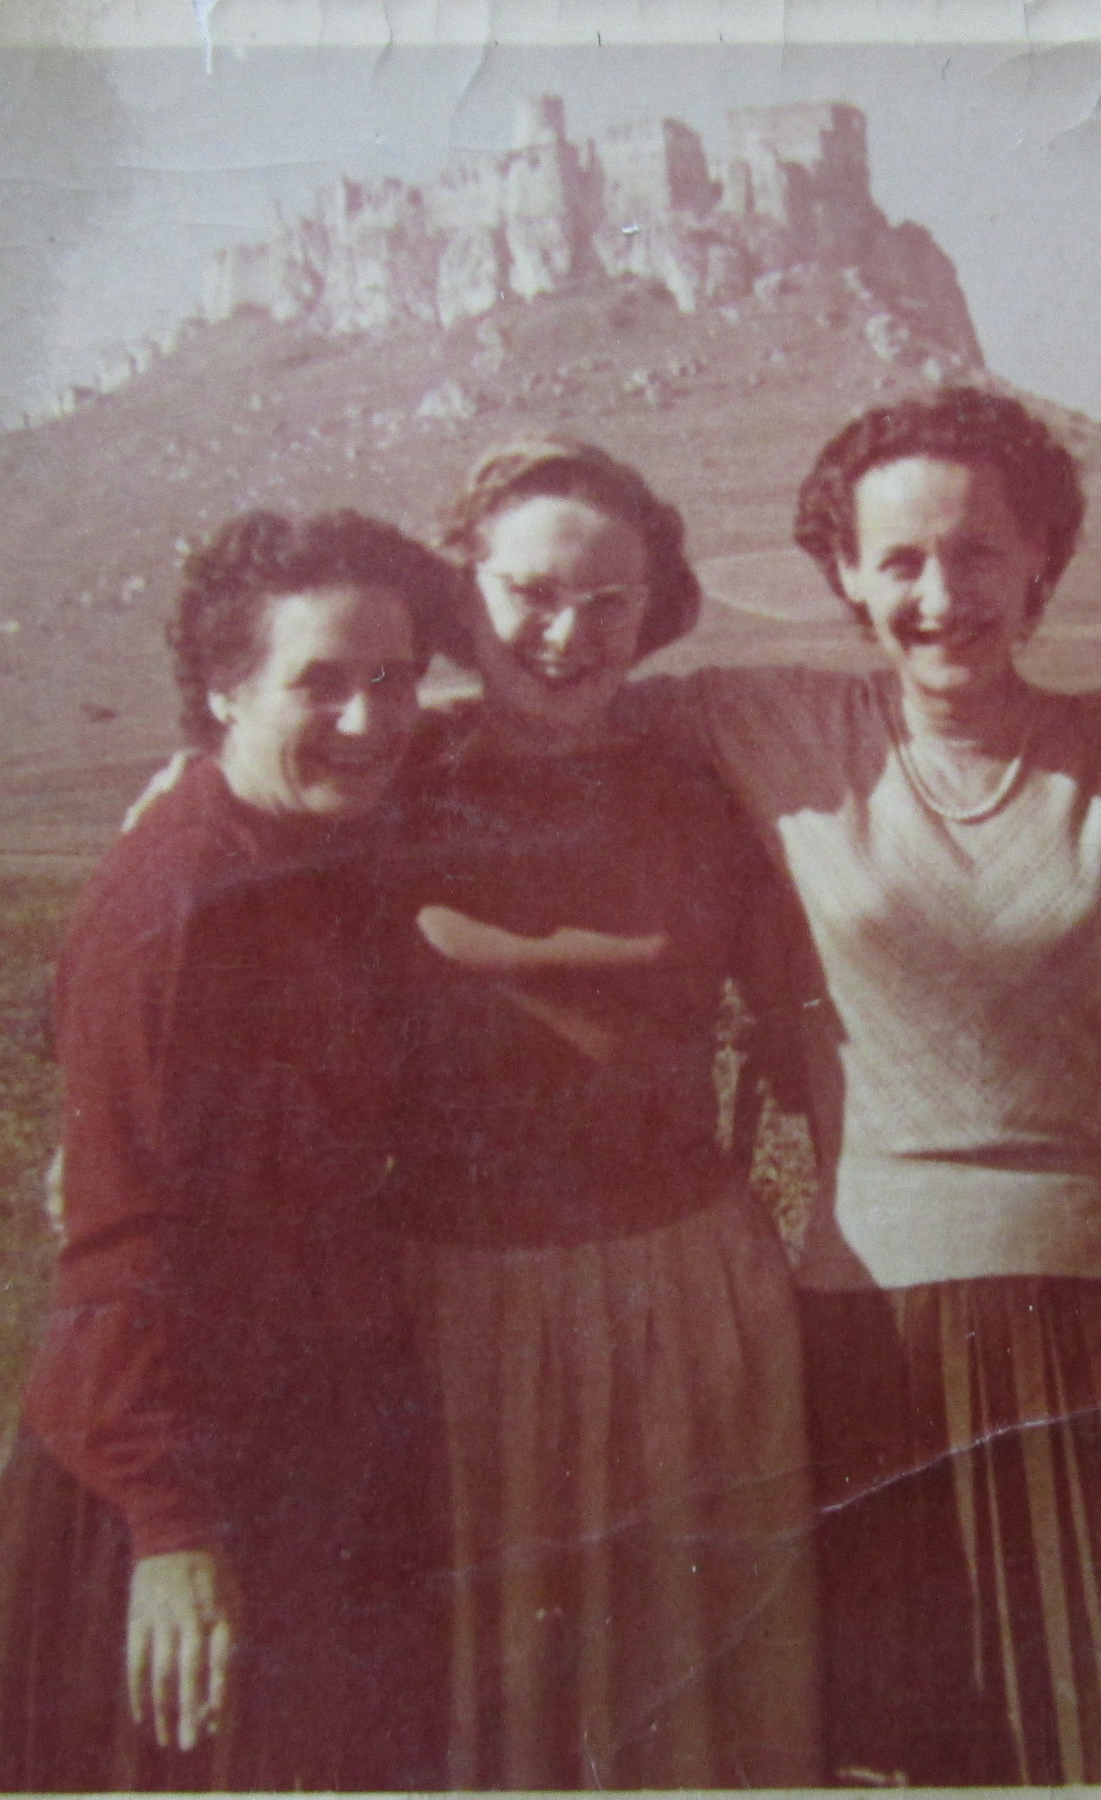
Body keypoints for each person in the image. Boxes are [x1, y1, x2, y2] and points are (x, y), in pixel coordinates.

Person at [610, 386, 1101, 1786]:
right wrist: (210, 766)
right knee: (916, 1739)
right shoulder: (764, 723)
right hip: (870, 1321)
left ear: (1042, 560)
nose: (941, 595)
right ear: (844, 573)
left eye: (976, 553)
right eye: (898, 559)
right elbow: (540, 711)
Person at [0, 510, 459, 1792]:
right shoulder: (177, 903)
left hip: (303, 1419)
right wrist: (170, 1532)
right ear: (223, 689)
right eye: (321, 682)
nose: (369, 719)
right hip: (179, 1462)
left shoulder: (302, 841)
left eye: (395, 678)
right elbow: (117, 1237)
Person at [390, 439, 822, 1789]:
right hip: (448, 1306)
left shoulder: (708, 787)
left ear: (655, 613)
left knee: (678, 1695)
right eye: (530, 594)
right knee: (483, 1700)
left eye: (607, 604)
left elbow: (811, 1029)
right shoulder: (383, 784)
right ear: (461, 594)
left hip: (677, 1301)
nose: (567, 636)